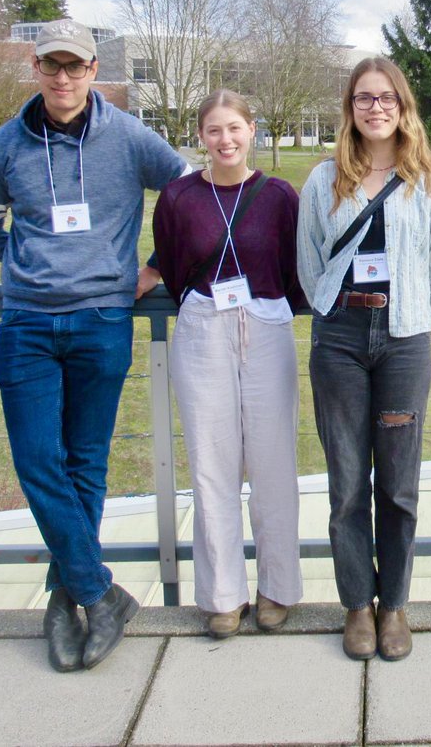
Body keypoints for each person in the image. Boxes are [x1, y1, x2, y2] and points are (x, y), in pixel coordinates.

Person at [0, 19, 190, 672]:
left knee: (85, 463)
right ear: (35, 69)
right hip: (27, 325)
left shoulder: (126, 137)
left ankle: (67, 604)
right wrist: (22, 261)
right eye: (51, 66)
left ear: (93, 71)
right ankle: (99, 591)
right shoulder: (6, 145)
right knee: (38, 461)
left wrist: (159, 265)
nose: (63, 78)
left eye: (76, 67)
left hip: (101, 321)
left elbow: (191, 193)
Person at [297, 57, 431, 662]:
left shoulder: (428, 185)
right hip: (338, 339)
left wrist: (408, 311)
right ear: (350, 108)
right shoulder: (323, 181)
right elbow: (309, 263)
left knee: (398, 484)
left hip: (404, 342)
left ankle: (394, 604)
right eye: (364, 98)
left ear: (402, 105)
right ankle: (357, 605)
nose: (375, 108)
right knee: (345, 482)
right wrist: (337, 309)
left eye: (387, 97)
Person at [152, 91, 305, 639]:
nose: (226, 140)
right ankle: (222, 595)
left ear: (253, 129)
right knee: (211, 463)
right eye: (214, 130)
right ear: (201, 136)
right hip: (202, 329)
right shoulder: (176, 198)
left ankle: (276, 588)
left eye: (235, 128)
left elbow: (295, 271)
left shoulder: (280, 196)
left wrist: (261, 304)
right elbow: (171, 267)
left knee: (273, 464)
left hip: (265, 326)